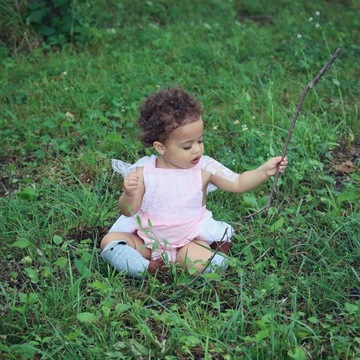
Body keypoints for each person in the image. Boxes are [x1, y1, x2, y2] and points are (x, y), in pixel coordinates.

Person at [100, 86, 287, 278]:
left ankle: (209, 261)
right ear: (160, 147)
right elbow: (128, 211)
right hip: (147, 240)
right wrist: (129, 194)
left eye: (200, 141)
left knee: (194, 259)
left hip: (189, 239)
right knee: (111, 241)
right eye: (187, 146)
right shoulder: (145, 171)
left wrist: (263, 171)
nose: (197, 150)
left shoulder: (205, 168)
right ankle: (144, 267)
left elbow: (238, 182)